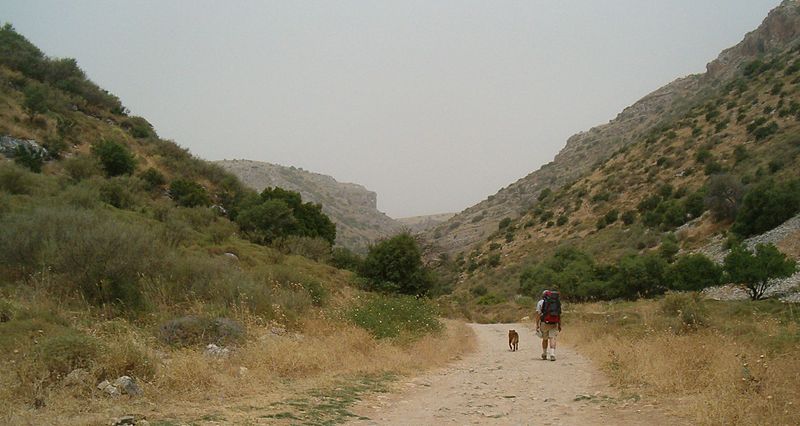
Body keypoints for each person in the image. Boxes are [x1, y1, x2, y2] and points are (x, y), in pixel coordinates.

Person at [535, 289, 561, 361]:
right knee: (552, 338)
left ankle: (544, 354)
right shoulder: (556, 302)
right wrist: (559, 324)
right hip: (554, 323)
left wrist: (537, 324)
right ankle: (552, 354)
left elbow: (538, 314)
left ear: (543, 295)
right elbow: (559, 314)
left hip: (544, 323)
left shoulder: (540, 302)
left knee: (545, 339)